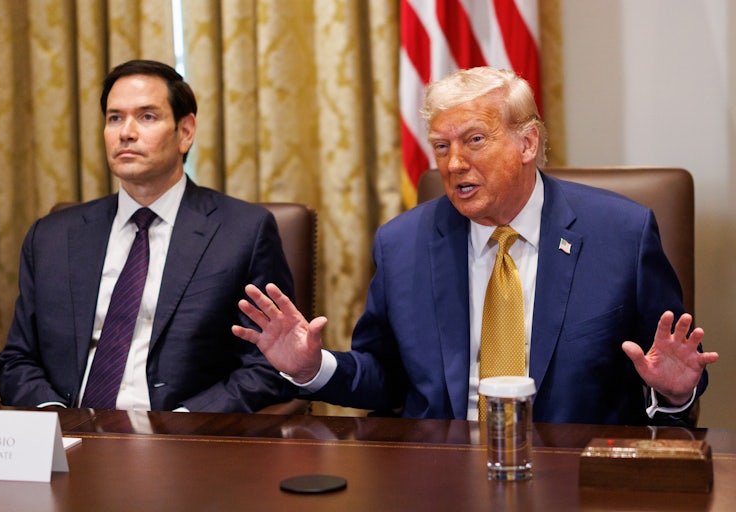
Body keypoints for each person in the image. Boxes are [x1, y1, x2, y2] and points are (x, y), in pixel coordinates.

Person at [233, 66, 718, 425]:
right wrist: (313, 367)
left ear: (527, 144)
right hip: (441, 472)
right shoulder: (403, 244)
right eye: (442, 147)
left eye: (475, 140)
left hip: (574, 474)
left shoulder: (621, 234)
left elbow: (668, 364)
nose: (454, 163)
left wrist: (676, 393)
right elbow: (384, 375)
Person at [0, 59, 294, 412]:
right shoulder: (52, 237)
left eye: (147, 117)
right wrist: (54, 421)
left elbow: (267, 366)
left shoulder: (243, 232)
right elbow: (17, 360)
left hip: (181, 440)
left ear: (185, 132)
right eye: (115, 118)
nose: (126, 132)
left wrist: (185, 423)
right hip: (68, 435)